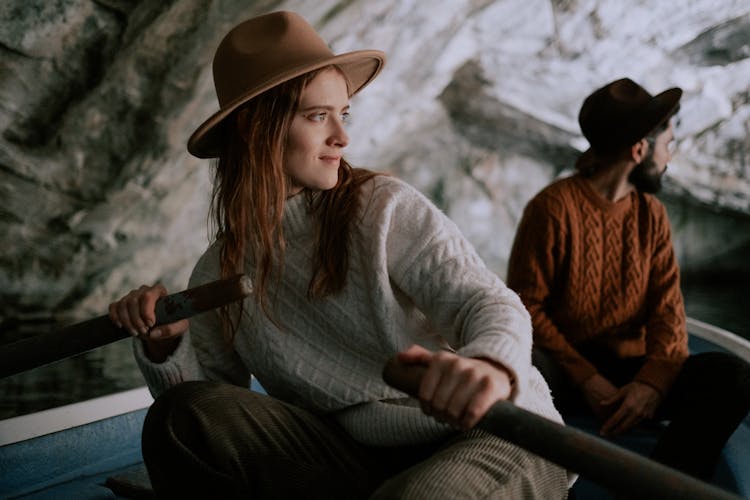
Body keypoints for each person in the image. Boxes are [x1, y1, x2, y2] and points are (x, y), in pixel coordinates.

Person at [108, 11, 569, 499]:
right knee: (182, 417)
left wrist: (489, 367)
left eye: (342, 114)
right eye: (317, 115)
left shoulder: (384, 206)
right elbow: (214, 401)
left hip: (492, 431)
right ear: (253, 127)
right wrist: (164, 346)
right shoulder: (219, 269)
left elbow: (490, 304)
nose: (342, 137)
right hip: (361, 456)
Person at [506, 77, 750, 481]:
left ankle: (653, 489)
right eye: (668, 145)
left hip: (632, 370)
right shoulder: (552, 208)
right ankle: (544, 481)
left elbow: (668, 316)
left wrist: (651, 385)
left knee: (733, 378)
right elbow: (524, 306)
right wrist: (588, 379)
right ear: (640, 149)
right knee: (524, 363)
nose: (669, 158)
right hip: (567, 372)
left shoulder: (651, 215)